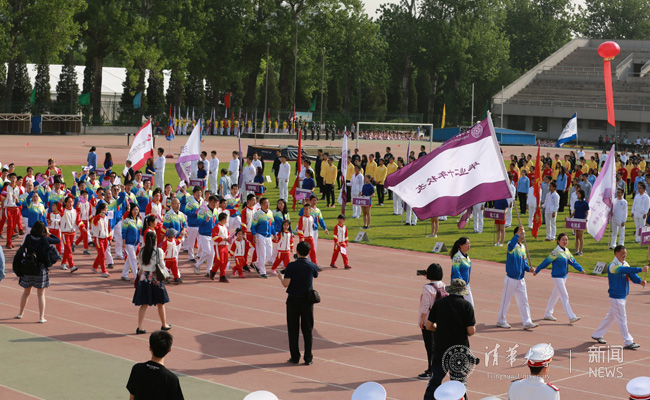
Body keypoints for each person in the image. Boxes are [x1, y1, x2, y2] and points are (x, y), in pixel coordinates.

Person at [423, 279, 476, 399]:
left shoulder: (439, 303)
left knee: (435, 379)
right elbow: (471, 331)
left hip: (441, 347)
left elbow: (429, 325)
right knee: (459, 382)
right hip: (459, 349)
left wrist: (439, 329)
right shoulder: (466, 306)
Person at [592, 245, 648, 349]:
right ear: (616, 253)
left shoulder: (625, 264)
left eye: (625, 253)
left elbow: (631, 274)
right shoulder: (612, 266)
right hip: (616, 297)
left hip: (622, 295)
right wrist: (640, 269)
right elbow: (623, 270)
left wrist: (640, 281)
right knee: (622, 319)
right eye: (623, 253)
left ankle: (597, 334)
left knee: (611, 317)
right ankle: (628, 341)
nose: (624, 255)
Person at [278, 241, 319, 365]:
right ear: (309, 252)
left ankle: (295, 357)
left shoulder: (291, 266)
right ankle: (308, 357)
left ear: (297, 251)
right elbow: (316, 274)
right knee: (308, 330)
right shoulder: (312, 265)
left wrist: (280, 278)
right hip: (307, 301)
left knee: (293, 329)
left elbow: (286, 284)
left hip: (293, 300)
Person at [534, 232, 585, 323]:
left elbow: (572, 262)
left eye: (566, 240)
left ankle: (548, 314)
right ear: (558, 241)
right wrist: (537, 270)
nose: (565, 241)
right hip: (557, 277)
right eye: (563, 240)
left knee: (555, 296)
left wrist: (580, 269)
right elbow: (546, 262)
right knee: (564, 296)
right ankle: (571, 316)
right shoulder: (556, 252)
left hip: (564, 277)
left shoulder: (566, 251)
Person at [15, 221, 60, 323]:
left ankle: (20, 313)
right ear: (43, 230)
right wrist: (49, 233)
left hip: (28, 266)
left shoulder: (28, 237)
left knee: (26, 292)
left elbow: (23, 249)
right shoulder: (45, 239)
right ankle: (41, 317)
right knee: (41, 294)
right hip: (40, 268)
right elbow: (57, 240)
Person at [497, 227, 536, 330]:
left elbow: (524, 263)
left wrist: (529, 269)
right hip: (511, 279)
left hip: (521, 279)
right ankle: (501, 320)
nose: (523, 236)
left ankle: (527, 322)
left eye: (524, 234)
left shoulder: (523, 247)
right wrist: (518, 234)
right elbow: (510, 246)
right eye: (521, 234)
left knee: (524, 301)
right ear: (516, 234)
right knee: (506, 301)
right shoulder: (511, 245)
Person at [126, 330, 184, 400]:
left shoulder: (137, 369)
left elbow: (132, 397)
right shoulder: (171, 379)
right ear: (169, 350)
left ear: (150, 348)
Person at [134, 231, 172, 334]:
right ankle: (164, 324)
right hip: (155, 278)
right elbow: (162, 265)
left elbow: (140, 266)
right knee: (160, 303)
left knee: (144, 304)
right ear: (155, 239)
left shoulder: (142, 251)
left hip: (144, 278)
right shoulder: (158, 251)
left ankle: (140, 327)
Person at [417, 263, 447, 380]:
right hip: (441, 320)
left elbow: (425, 306)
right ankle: (439, 368)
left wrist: (422, 320)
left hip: (429, 321)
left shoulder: (427, 288)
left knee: (430, 347)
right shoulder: (443, 285)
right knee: (438, 346)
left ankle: (431, 370)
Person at [450, 237, 474, 306]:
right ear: (461, 245)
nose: (469, 246)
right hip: (458, 285)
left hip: (466, 285)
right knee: (456, 306)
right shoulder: (457, 257)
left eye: (469, 244)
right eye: (467, 244)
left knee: (470, 306)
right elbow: (456, 271)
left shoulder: (467, 256)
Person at [210, 212, 231, 282]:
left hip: (225, 246)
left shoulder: (225, 227)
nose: (227, 221)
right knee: (220, 261)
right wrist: (223, 239)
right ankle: (221, 275)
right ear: (224, 219)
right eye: (226, 219)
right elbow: (214, 237)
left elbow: (228, 234)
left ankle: (216, 273)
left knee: (225, 261)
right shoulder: (216, 227)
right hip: (218, 246)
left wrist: (229, 238)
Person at [570, 189, 589, 255]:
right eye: (577, 194)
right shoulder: (576, 202)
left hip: (582, 220)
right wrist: (570, 216)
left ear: (582, 195)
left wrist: (586, 218)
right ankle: (577, 250)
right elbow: (574, 211)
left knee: (580, 236)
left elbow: (587, 212)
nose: (577, 195)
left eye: (578, 194)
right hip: (576, 219)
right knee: (576, 236)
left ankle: (581, 251)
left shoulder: (585, 203)